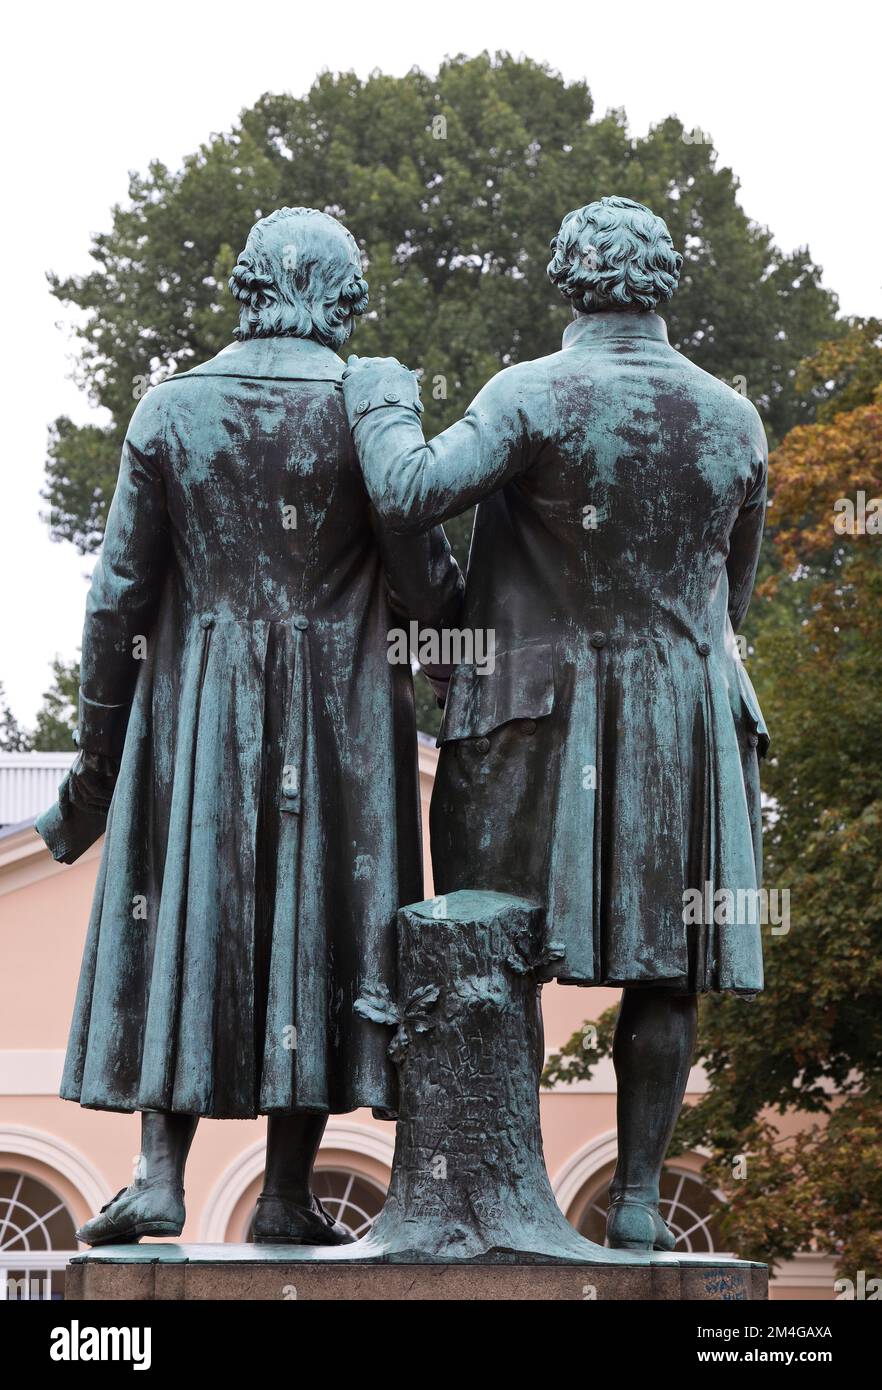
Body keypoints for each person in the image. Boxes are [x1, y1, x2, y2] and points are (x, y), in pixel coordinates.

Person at [341, 196, 769, 1252]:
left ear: (571, 278)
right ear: (663, 280)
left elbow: (405, 491)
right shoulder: (735, 418)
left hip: (530, 718)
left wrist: (383, 396)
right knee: (667, 970)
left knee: (494, 952)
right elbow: (735, 598)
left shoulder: (530, 392)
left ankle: (511, 1191)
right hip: (686, 718)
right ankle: (634, 1198)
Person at [38, 206, 462, 1246]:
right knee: (325, 920)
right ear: (342, 296)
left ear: (247, 287)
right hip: (344, 714)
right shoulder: (367, 411)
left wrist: (95, 773)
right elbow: (430, 590)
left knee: (184, 908)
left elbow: (115, 603)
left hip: (197, 704)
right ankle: (283, 1186)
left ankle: (160, 1174)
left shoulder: (169, 411)